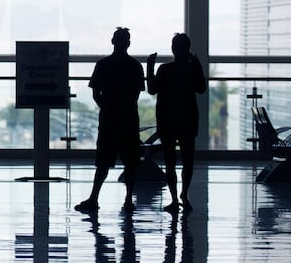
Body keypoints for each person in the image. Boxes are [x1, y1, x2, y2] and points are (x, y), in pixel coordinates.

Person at [75, 27, 145, 214]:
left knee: (103, 161)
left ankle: (94, 197)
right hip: (128, 118)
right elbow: (135, 95)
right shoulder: (135, 66)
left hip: (109, 118)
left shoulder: (103, 65)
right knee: (130, 161)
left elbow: (96, 93)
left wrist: (107, 106)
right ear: (128, 43)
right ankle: (129, 199)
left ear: (112, 41)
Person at [146, 33, 207, 212]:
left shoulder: (165, 69)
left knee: (170, 161)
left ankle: (174, 199)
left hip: (167, 120)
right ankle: (184, 195)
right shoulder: (191, 69)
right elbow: (201, 89)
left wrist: (149, 67)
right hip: (188, 119)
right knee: (188, 161)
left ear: (173, 48)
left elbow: (151, 90)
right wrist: (198, 66)